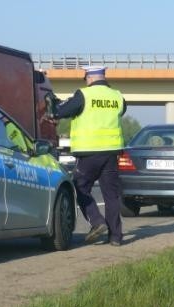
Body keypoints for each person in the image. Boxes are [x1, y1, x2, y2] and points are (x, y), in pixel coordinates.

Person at [46, 65, 126, 246]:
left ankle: (97, 222)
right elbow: (120, 112)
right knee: (111, 195)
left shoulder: (84, 95)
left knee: (79, 186)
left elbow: (59, 111)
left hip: (90, 151)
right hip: (112, 152)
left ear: (89, 78)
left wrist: (53, 101)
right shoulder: (117, 96)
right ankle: (116, 237)